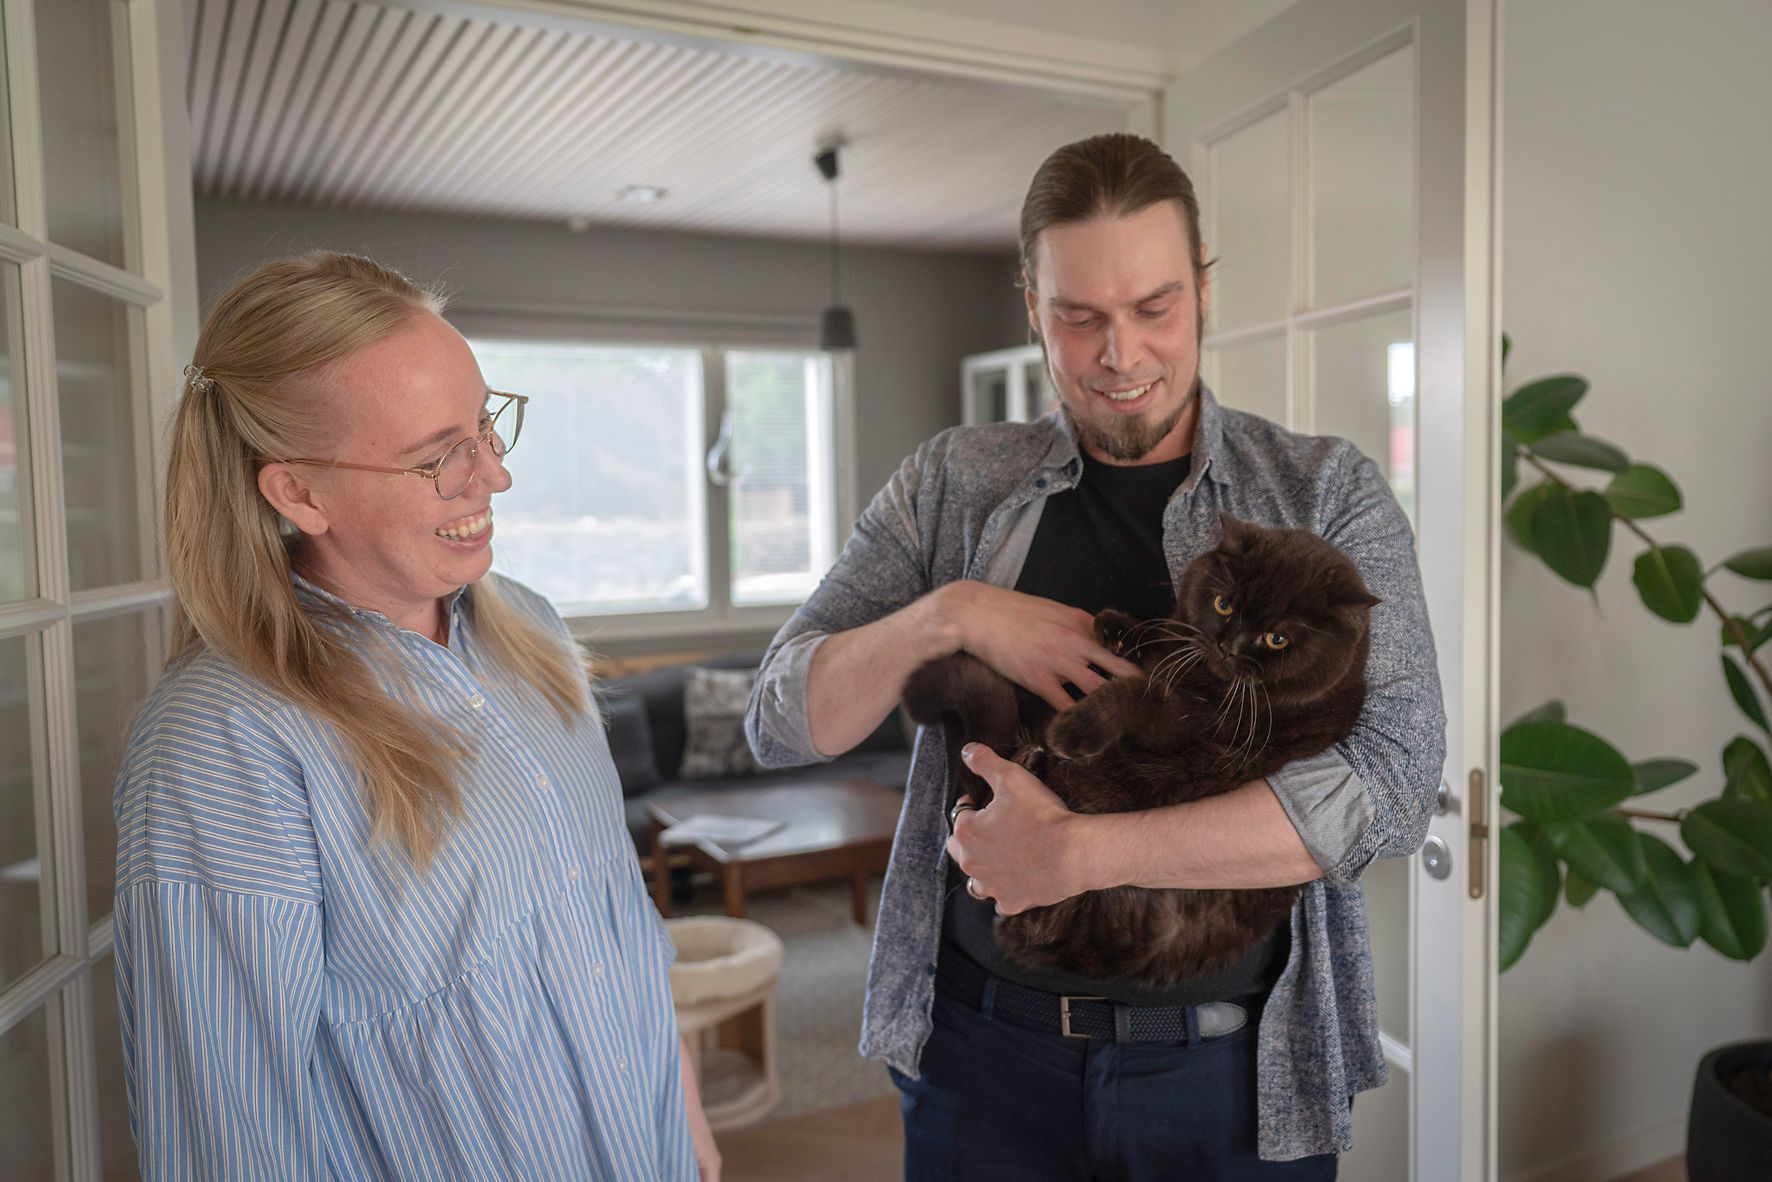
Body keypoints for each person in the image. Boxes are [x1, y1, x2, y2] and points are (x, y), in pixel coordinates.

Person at [746, 133, 1446, 1178]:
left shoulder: (1322, 492)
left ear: (1203, 291)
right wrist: (949, 614)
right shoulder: (951, 484)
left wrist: (1080, 855)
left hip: (1233, 1069)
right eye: (1077, 317)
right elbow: (779, 720)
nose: (1118, 354)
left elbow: (1393, 783)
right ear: (1030, 303)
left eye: (1153, 308)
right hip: (981, 1058)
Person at [112, 252, 719, 1181]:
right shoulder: (223, 743)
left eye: (486, 426)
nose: (492, 478)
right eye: (436, 456)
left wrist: (683, 1119)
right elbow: (226, 1132)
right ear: (299, 493)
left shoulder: (536, 633)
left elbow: (617, 926)